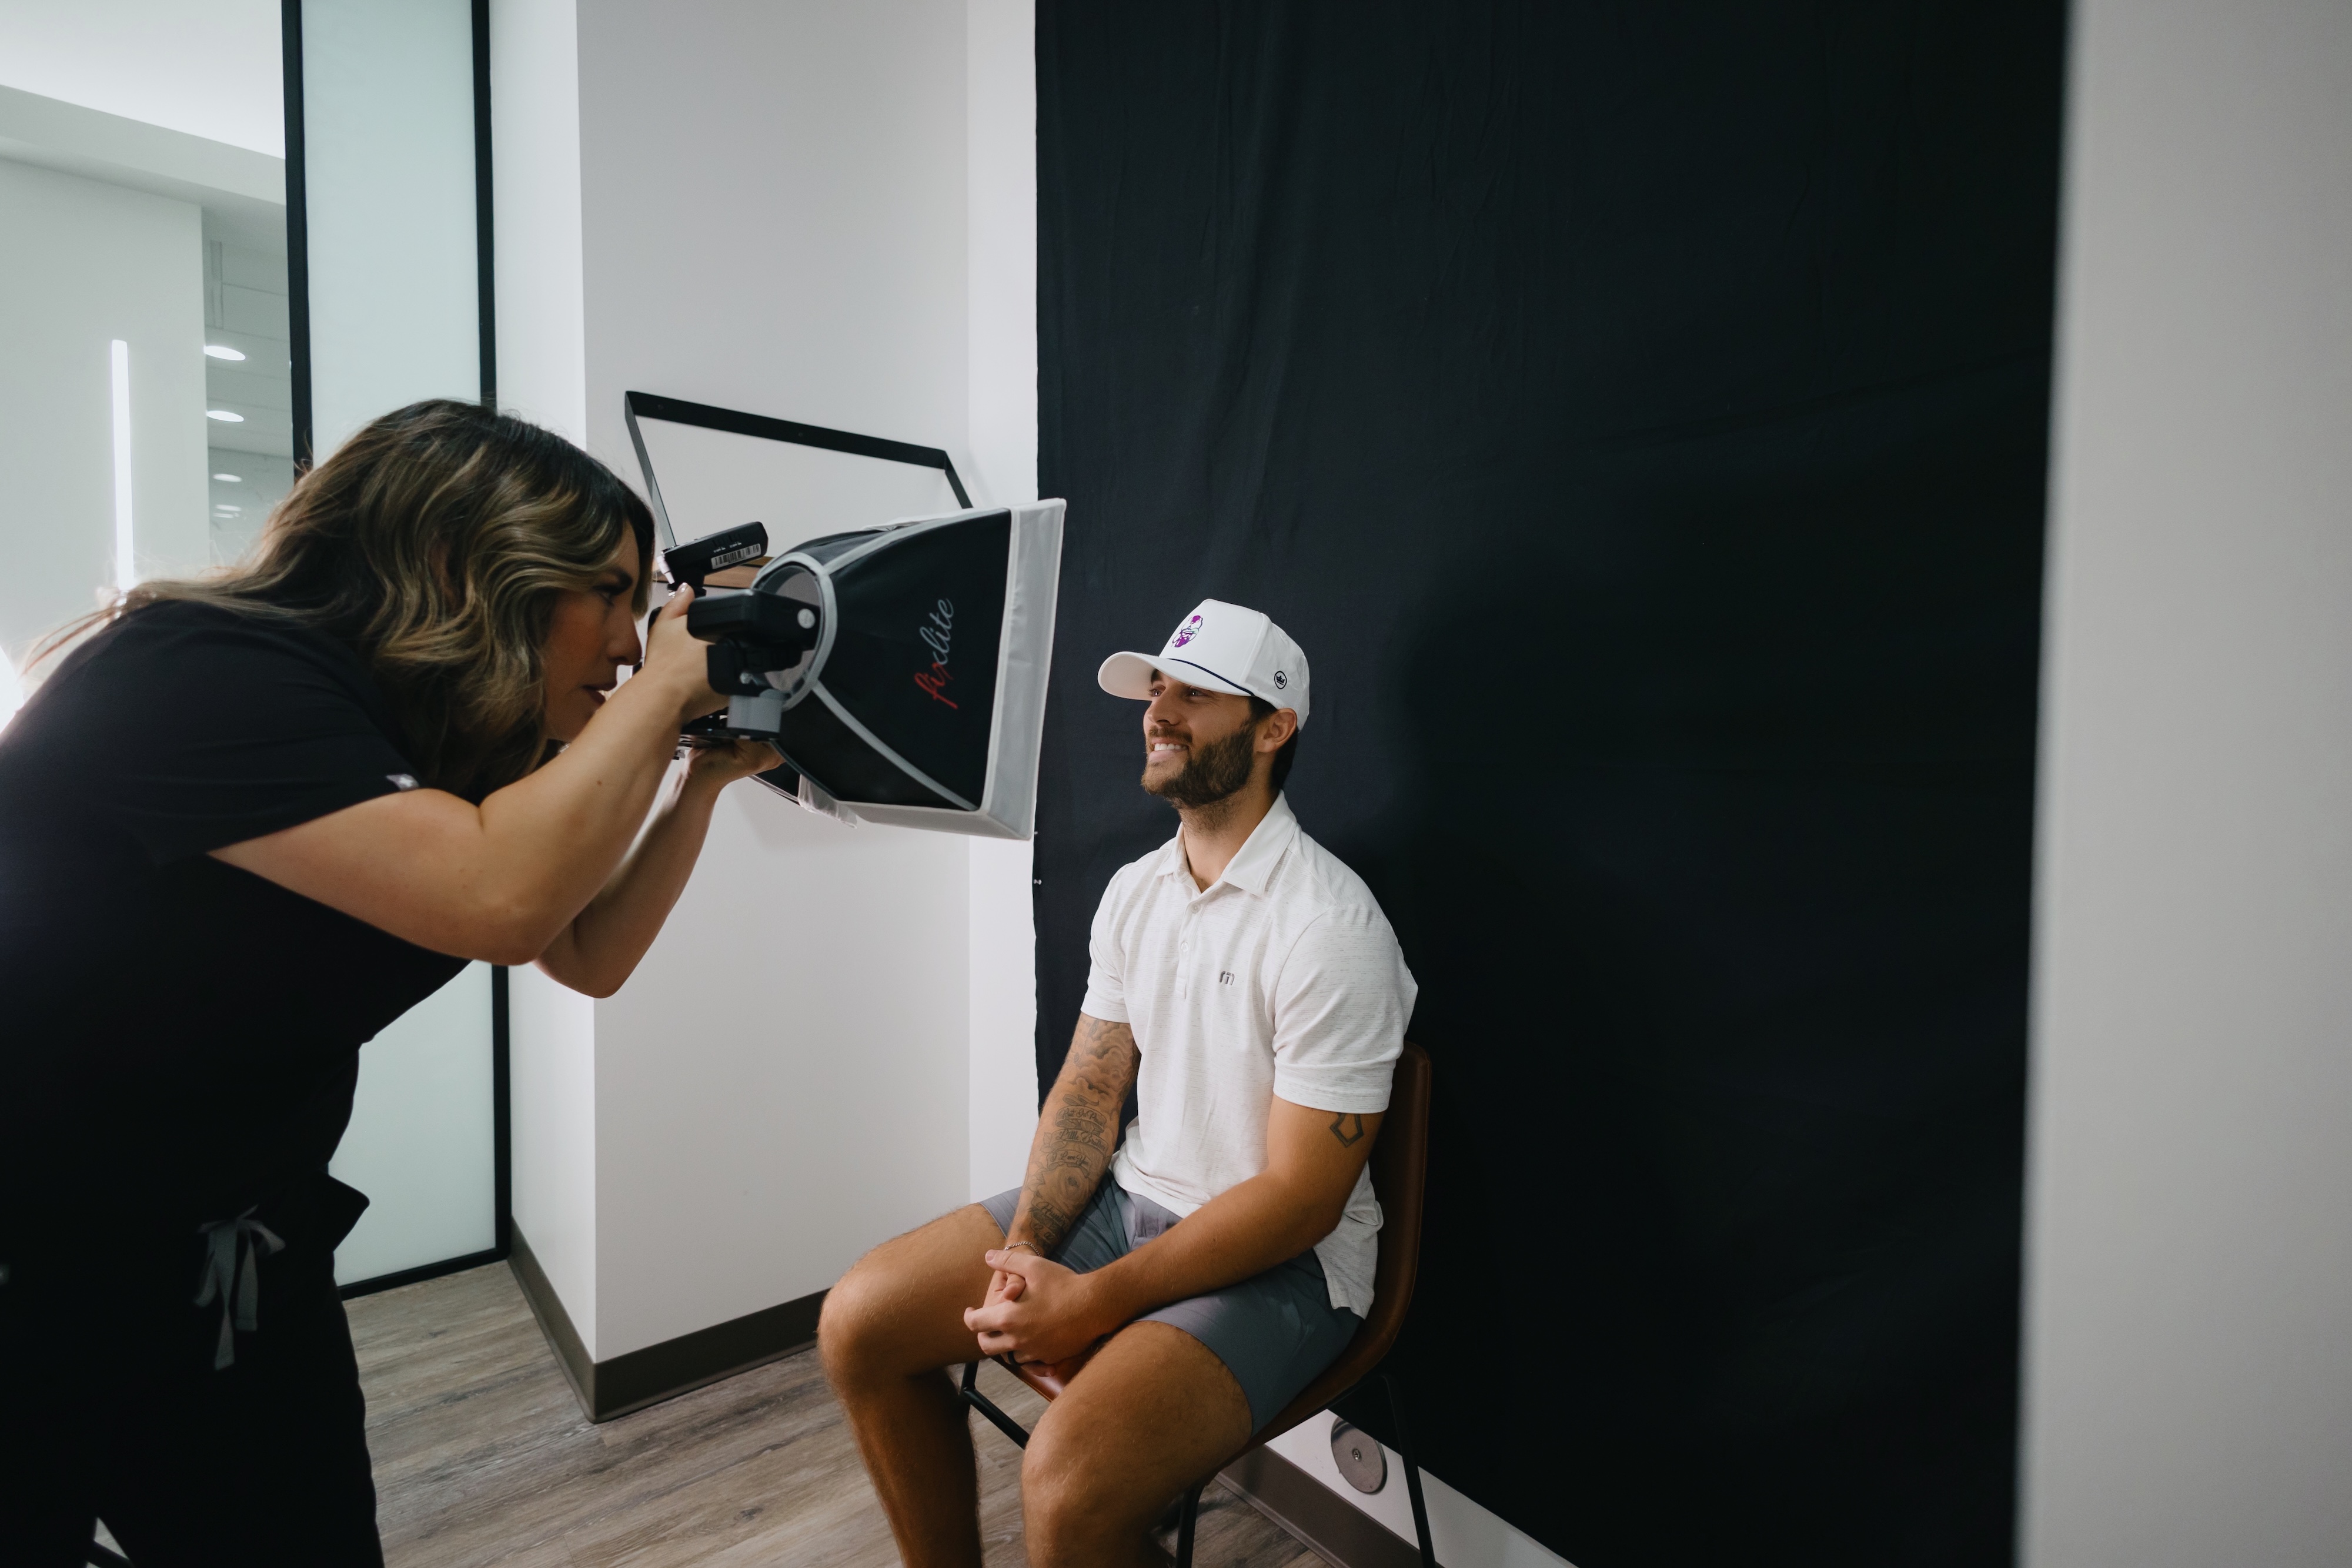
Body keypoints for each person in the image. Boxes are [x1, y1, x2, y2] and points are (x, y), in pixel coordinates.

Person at [0, 399, 776, 1565]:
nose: (631, 640)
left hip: (231, 1245)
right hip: (29, 1256)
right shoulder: (192, 670)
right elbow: (499, 900)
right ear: (464, 559)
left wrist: (701, 786)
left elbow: (582, 949)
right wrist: (668, 689)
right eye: (612, 594)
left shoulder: (442, 735)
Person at [821, 599, 1418, 1567]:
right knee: (861, 1322)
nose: (1159, 710)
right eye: (1156, 688)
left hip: (1288, 1267)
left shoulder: (1334, 931)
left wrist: (1092, 1303)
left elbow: (1301, 1202)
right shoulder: (1139, 889)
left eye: (1195, 692)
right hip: (1129, 1202)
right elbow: (1092, 1094)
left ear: (1274, 729)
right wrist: (1024, 1255)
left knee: (1065, 1488)